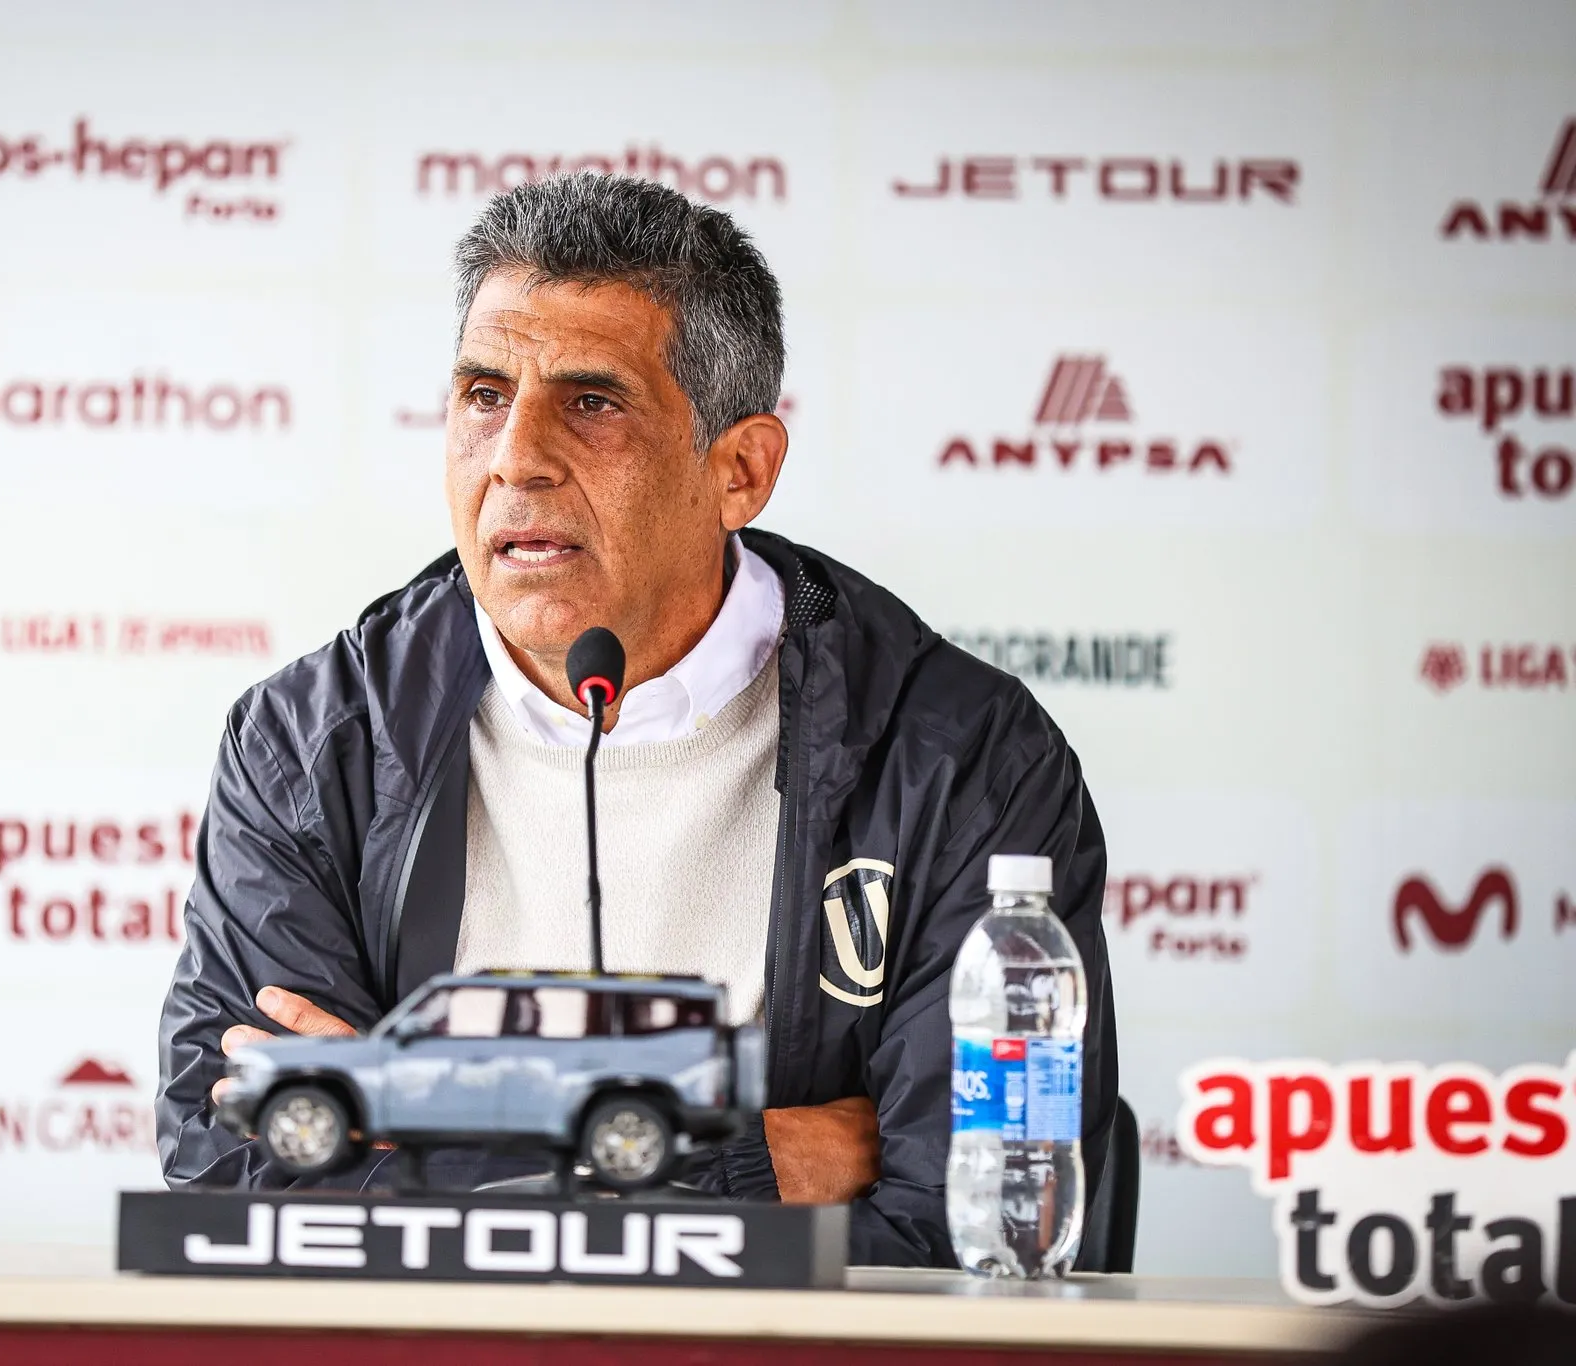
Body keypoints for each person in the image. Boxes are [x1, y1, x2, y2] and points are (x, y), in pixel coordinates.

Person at [157, 173, 1117, 1267]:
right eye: (481, 394)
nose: (514, 456)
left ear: (739, 469)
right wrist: (752, 1159)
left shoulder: (963, 757)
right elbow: (240, 1181)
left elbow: (983, 1221)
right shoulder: (312, 738)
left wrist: (420, 1150)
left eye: (590, 402)